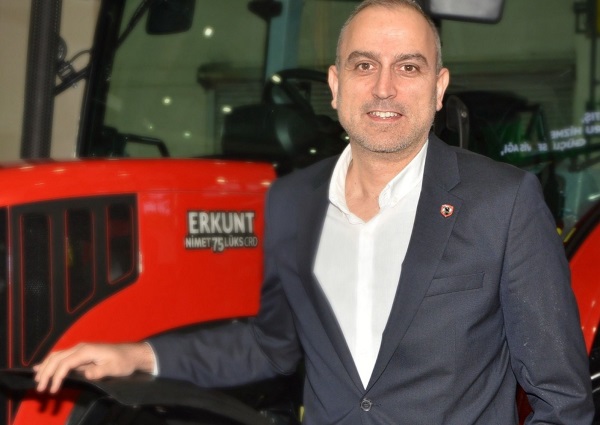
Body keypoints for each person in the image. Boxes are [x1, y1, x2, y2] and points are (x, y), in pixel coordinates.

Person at [34, 0, 594, 423]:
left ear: (439, 86)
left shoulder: (503, 202)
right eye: (364, 65)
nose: (384, 88)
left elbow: (562, 399)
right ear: (335, 84)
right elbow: (270, 344)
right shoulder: (294, 200)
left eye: (409, 67)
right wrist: (137, 355)